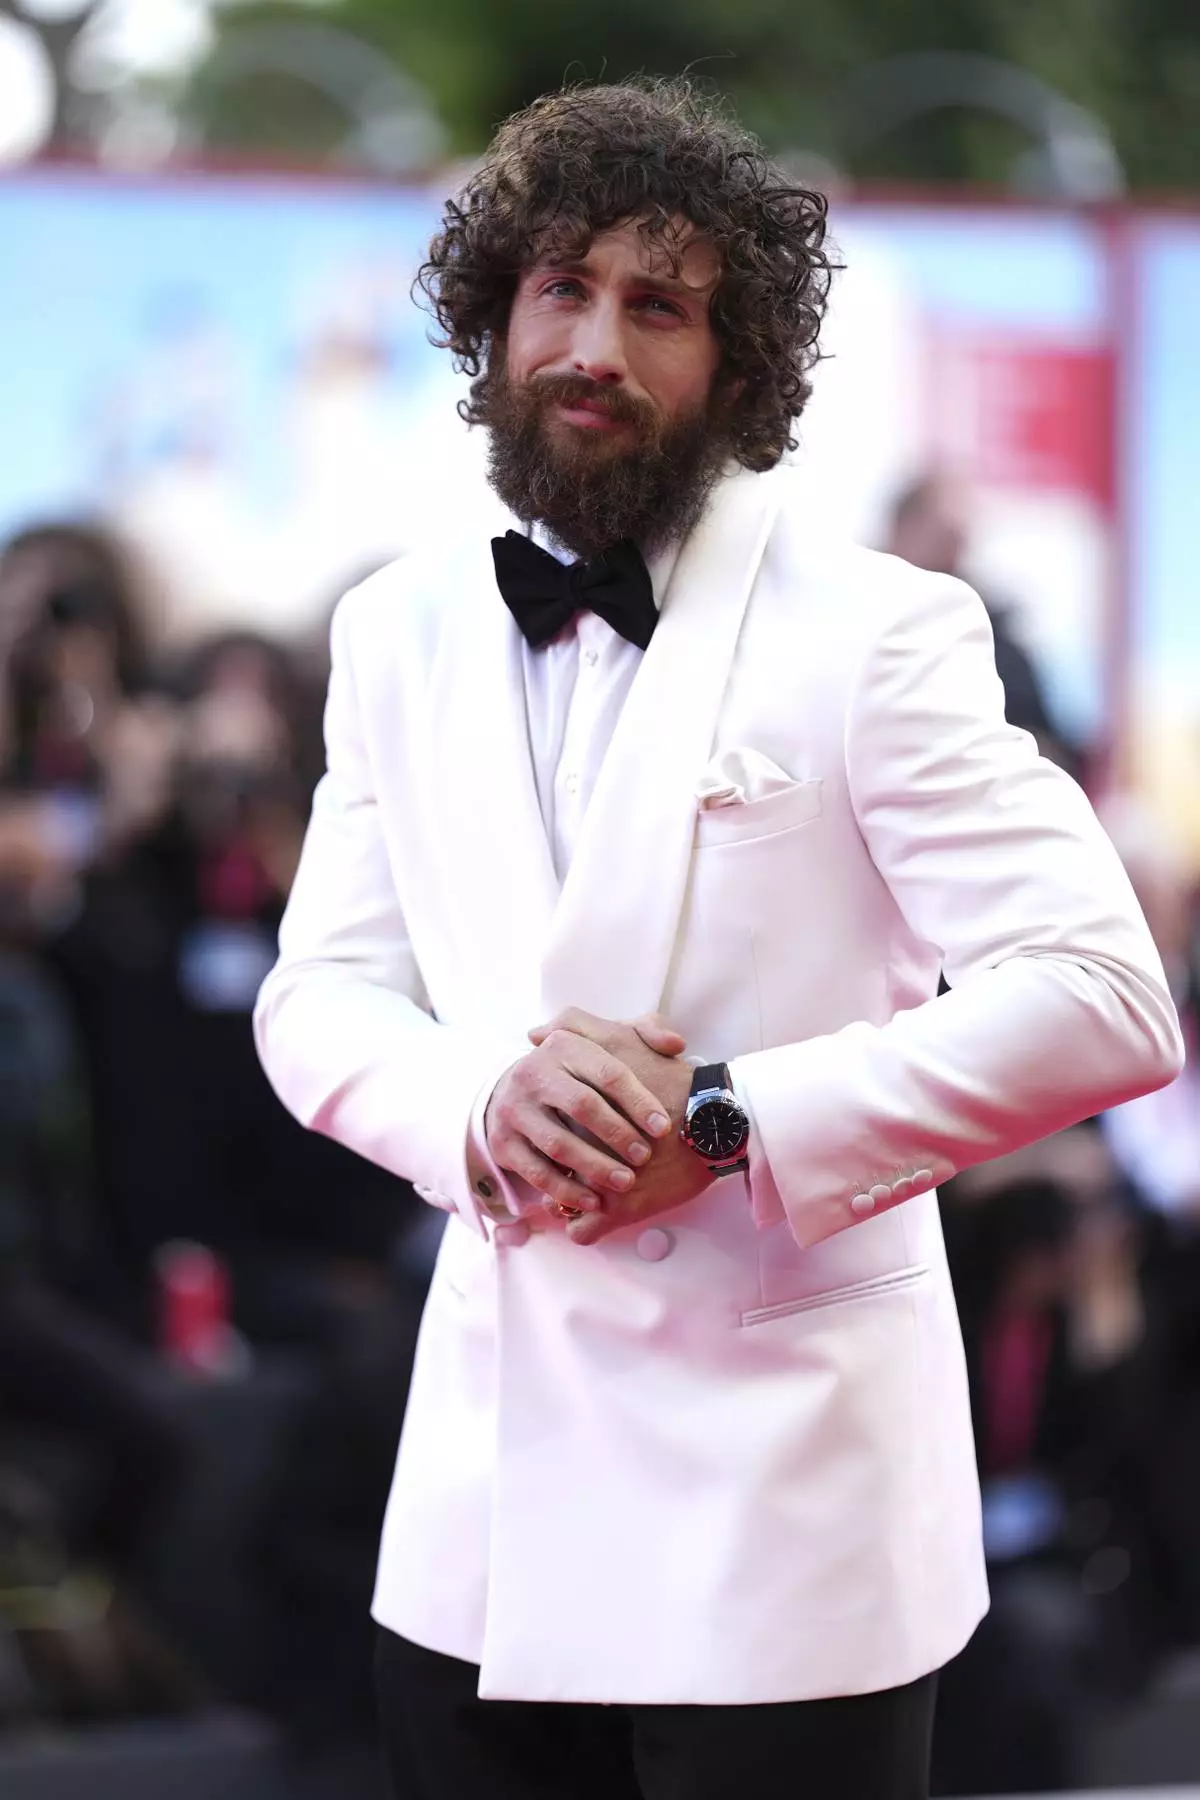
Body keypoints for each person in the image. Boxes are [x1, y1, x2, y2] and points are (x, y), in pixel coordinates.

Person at [253, 78, 1184, 1800]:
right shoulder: (394, 632)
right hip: (481, 1527)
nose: (595, 345)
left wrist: (729, 1122)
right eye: (559, 290)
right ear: (491, 322)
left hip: (782, 1532)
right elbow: (319, 996)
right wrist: (474, 1108)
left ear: (738, 368)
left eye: (658, 306)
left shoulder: (884, 633)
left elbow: (1108, 998)